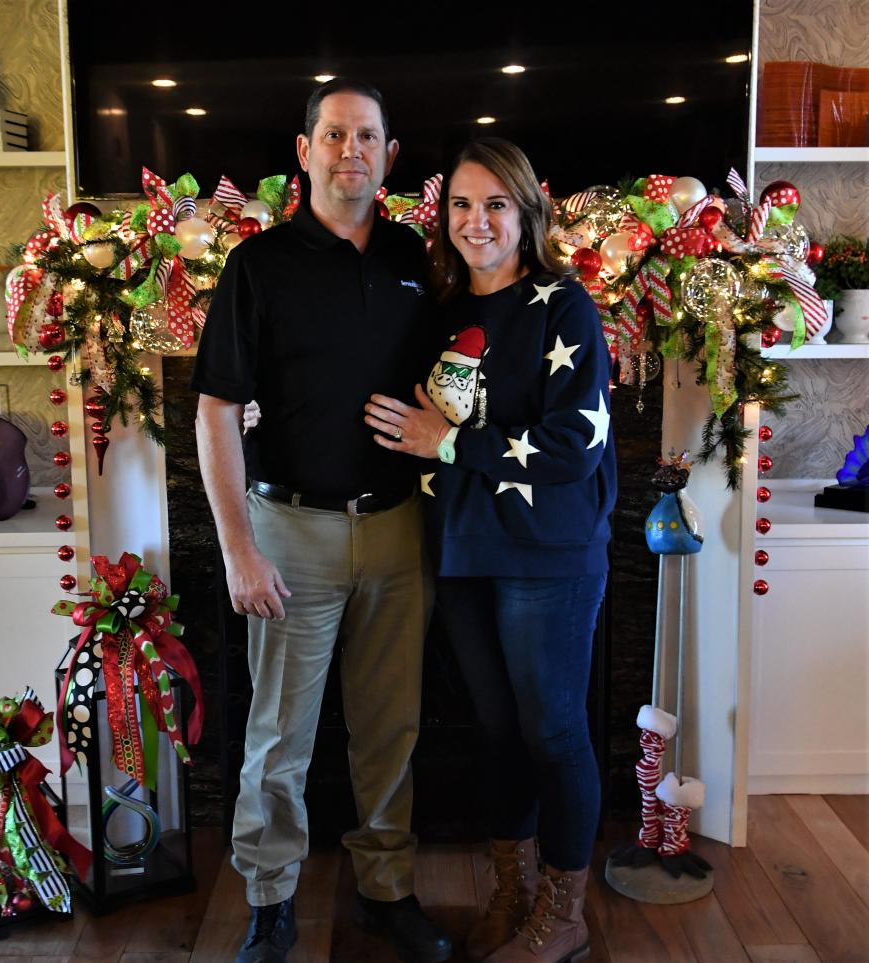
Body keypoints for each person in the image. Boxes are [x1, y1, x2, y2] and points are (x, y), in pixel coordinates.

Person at [192, 79, 451, 963]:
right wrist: (237, 549)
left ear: (389, 157)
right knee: (278, 735)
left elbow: (460, 381)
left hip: (396, 529)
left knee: (392, 726)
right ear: (303, 152)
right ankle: (269, 901)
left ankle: (386, 887)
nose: (352, 151)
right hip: (290, 532)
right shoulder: (257, 267)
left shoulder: (420, 258)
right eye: (334, 135)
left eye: (368, 136)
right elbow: (216, 412)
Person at [364, 137, 616, 963]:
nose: (477, 222)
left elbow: (571, 446)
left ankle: (564, 912)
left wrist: (449, 443)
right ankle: (511, 890)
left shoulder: (562, 306)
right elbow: (404, 416)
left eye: (495, 204)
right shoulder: (439, 314)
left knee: (553, 731)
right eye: (462, 205)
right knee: (499, 732)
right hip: (463, 549)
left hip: (548, 553)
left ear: (526, 213)